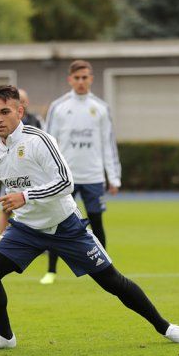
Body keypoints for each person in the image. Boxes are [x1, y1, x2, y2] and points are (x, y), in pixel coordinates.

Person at [0, 85, 179, 351]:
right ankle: (4, 337)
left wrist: (26, 196)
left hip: (66, 226)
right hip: (25, 230)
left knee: (112, 281)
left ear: (20, 111)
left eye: (5, 111)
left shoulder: (39, 140)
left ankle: (166, 327)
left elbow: (66, 183)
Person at [38, 60, 121, 285]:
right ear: (70, 79)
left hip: (93, 176)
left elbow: (108, 144)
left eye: (85, 77)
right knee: (57, 222)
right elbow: (48, 142)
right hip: (64, 179)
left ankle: (105, 271)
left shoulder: (101, 108)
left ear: (91, 79)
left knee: (97, 222)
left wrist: (113, 177)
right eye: (77, 78)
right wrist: (47, 175)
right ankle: (51, 271)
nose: (81, 82)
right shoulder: (59, 106)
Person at [0, 88, 43, 235]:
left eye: (23, 101)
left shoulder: (36, 121)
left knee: (38, 206)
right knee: (6, 209)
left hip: (32, 173)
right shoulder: (6, 122)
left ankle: (42, 242)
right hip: (11, 172)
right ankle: (1, 240)